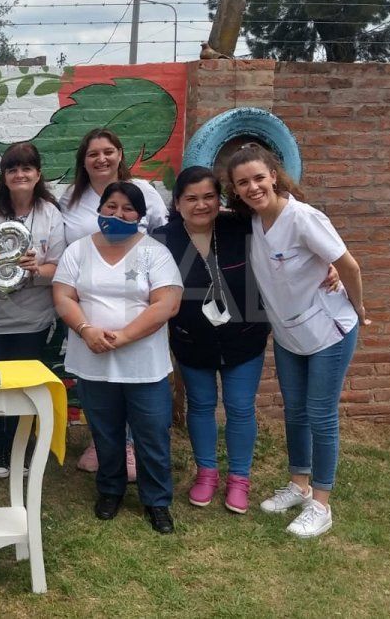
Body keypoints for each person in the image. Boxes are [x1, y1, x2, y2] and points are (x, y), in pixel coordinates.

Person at [225, 144, 367, 538]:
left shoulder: (303, 218)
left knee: (320, 416)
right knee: (294, 412)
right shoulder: (251, 221)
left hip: (328, 331)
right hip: (289, 335)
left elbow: (348, 264)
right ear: (235, 190)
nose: (253, 187)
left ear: (274, 174)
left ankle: (321, 505)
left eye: (258, 177)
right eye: (243, 183)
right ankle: (298, 485)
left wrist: (358, 307)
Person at [52, 181, 183, 534]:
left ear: (140, 215)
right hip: (92, 357)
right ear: (100, 210)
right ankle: (110, 490)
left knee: (152, 433)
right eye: (111, 206)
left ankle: (157, 501)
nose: (118, 214)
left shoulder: (155, 253)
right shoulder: (78, 251)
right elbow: (64, 296)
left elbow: (167, 303)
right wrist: (86, 330)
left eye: (127, 208)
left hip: (144, 364)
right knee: (105, 432)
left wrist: (124, 336)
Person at [151, 166, 270, 514]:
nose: (201, 205)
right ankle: (206, 472)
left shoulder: (243, 227)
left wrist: (331, 267)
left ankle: (239, 479)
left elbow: (288, 251)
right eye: (191, 198)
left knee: (239, 407)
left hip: (245, 337)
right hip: (192, 341)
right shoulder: (163, 238)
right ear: (177, 202)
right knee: (201, 406)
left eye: (208, 197)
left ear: (218, 199)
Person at [59, 128, 169, 476]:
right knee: (98, 384)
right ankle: (104, 443)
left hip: (137, 295)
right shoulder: (70, 198)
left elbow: (167, 236)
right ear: (83, 160)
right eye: (93, 153)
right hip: (88, 299)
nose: (101, 159)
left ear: (120, 154)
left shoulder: (145, 192)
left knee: (139, 386)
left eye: (108, 151)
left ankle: (134, 446)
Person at [0, 143, 65, 478]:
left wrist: (38, 269)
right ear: (4, 176)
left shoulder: (50, 213)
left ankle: (22, 443)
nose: (20, 175)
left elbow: (59, 269)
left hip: (30, 320)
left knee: (24, 387)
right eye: (12, 169)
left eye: (26, 168)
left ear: (38, 174)